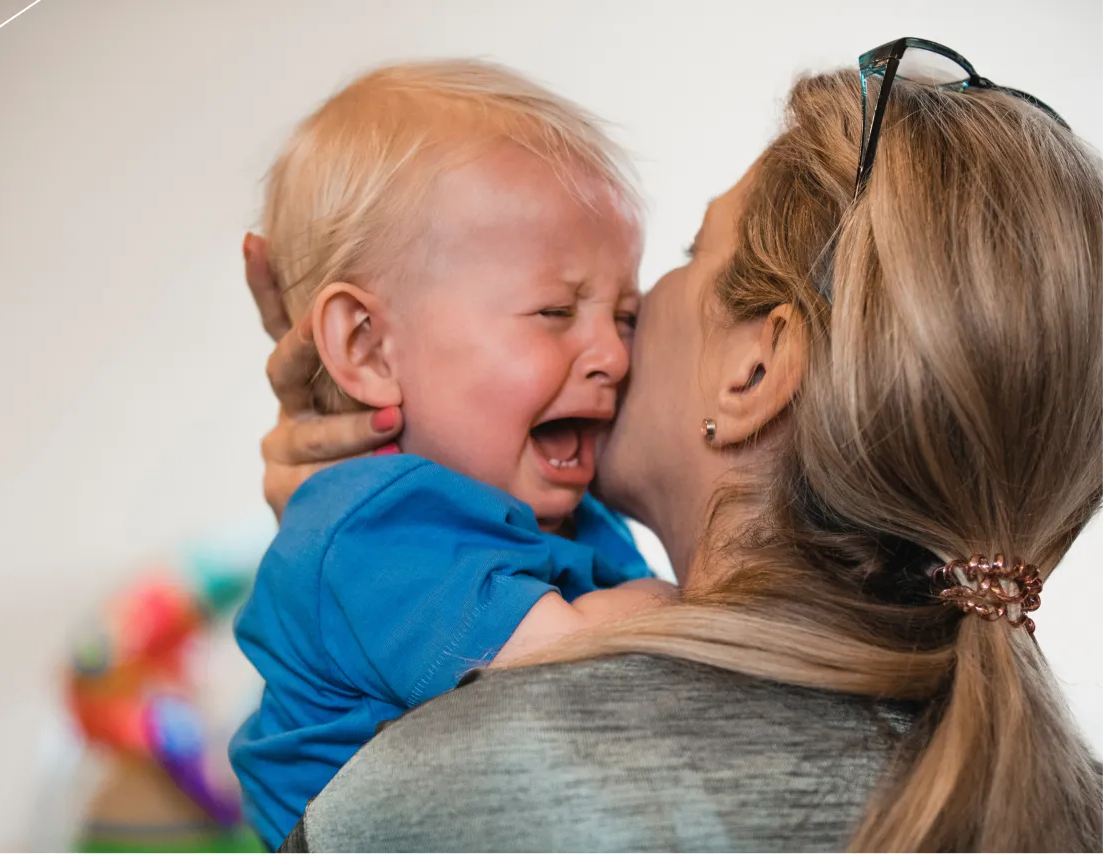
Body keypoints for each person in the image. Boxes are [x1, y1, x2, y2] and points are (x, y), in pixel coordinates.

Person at [245, 43, 1103, 851]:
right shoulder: (1050, 788)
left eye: (687, 257)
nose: (614, 347)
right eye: (555, 311)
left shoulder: (485, 786)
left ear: (754, 369)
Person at [229, 60, 677, 849]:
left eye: (627, 313)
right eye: (554, 309)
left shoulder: (577, 515)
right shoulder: (370, 526)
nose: (611, 351)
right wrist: (707, 602)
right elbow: (578, 665)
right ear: (367, 347)